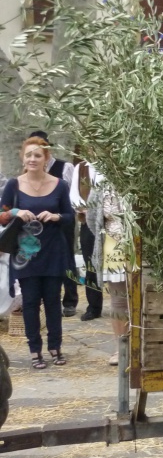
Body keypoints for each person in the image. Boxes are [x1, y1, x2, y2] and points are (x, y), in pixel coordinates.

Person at [0, 137, 74, 369]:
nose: (32, 159)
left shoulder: (60, 185)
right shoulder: (14, 184)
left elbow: (70, 216)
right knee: (30, 302)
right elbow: (1, 214)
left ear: (46, 159)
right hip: (26, 254)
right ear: (23, 157)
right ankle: (35, 350)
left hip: (53, 250)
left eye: (37, 155)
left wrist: (56, 216)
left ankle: (55, 347)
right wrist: (16, 211)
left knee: (53, 300)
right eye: (29, 154)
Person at [29, 131, 78, 318]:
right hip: (38, 224)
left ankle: (70, 301)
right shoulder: (30, 168)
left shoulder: (64, 167)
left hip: (61, 220)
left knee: (66, 259)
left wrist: (60, 215)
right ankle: (48, 299)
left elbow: (72, 197)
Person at [86, 182, 129, 366]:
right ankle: (122, 348)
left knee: (145, 298)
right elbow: (91, 217)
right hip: (113, 246)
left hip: (143, 246)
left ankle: (143, 346)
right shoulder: (102, 186)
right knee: (118, 301)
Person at [70, 160, 104, 321]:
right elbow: (74, 195)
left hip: (112, 223)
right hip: (89, 222)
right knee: (90, 264)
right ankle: (94, 306)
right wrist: (84, 208)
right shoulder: (82, 167)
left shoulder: (115, 164)